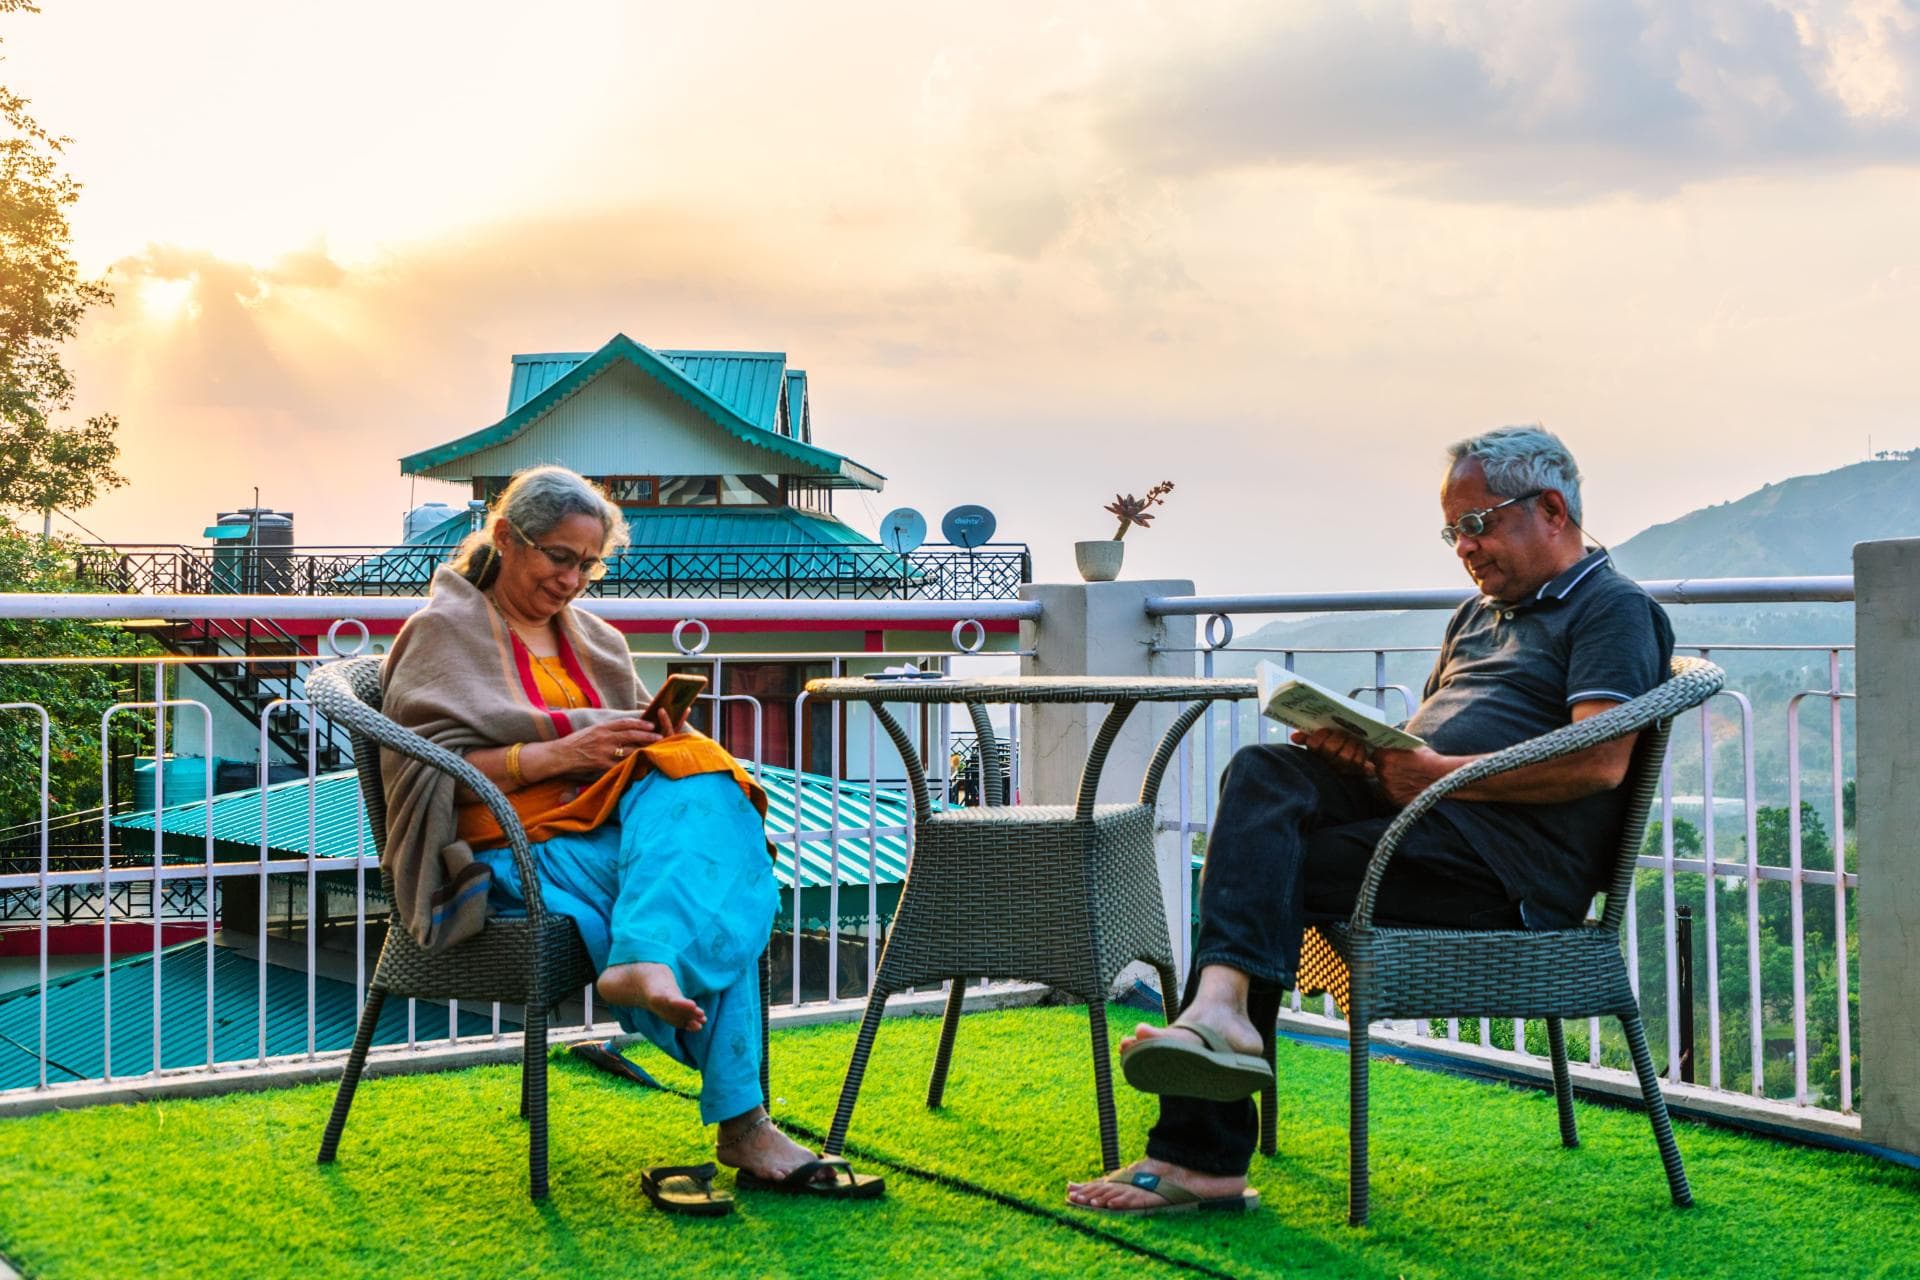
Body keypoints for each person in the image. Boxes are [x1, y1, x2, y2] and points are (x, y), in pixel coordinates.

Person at [1067, 426, 1673, 1215]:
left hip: (1503, 875)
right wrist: (1366, 757)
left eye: (1477, 523)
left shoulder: (1612, 609)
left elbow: (1597, 761)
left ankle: (1201, 1148)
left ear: (1551, 509)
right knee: (1263, 774)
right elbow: (1426, 752)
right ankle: (1219, 1015)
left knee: (1262, 870)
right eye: (1453, 530)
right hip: (1425, 823)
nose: (1464, 546)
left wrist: (1430, 776)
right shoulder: (1478, 616)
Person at [379, 464, 882, 1211]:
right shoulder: (442, 632)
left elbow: (628, 756)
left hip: (598, 829)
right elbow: (424, 773)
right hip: (507, 846)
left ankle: (648, 964)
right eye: (558, 557)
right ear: (508, 537)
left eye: (589, 564)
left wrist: (639, 742)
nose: (572, 579)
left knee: (705, 816)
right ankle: (742, 1123)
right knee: (714, 867)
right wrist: (560, 754)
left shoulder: (596, 641)